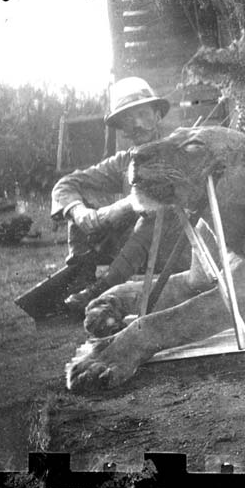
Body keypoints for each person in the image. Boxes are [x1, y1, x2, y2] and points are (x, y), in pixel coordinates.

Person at [51, 77, 183, 313]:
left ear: (157, 115)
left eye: (143, 114)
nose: (137, 124)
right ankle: (82, 279)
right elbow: (66, 184)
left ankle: (103, 287)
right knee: (78, 203)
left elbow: (167, 196)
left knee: (154, 210)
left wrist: (122, 207)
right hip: (135, 254)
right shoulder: (124, 161)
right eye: (128, 119)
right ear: (121, 128)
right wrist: (79, 212)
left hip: (178, 251)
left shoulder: (179, 151)